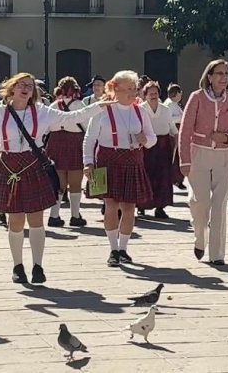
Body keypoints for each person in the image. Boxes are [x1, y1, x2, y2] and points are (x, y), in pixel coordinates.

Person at [0, 72, 108, 283]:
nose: (26, 89)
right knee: (15, 221)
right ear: (12, 88)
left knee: (36, 220)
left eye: (30, 86)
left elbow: (72, 118)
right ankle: (17, 266)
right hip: (10, 166)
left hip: (33, 165)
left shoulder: (42, 111)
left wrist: (100, 105)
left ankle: (38, 266)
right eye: (22, 85)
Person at [84, 71, 156, 267]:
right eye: (128, 89)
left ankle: (123, 249)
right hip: (107, 159)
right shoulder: (101, 110)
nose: (133, 92)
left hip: (132, 160)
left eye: (134, 88)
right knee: (110, 205)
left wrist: (145, 140)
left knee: (129, 207)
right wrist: (88, 163)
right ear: (115, 89)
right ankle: (113, 249)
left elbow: (152, 138)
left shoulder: (141, 111)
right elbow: (89, 139)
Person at [178, 60, 228, 265]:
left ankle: (217, 254)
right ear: (209, 76)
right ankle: (200, 237)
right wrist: (184, 160)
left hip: (223, 156)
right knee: (200, 202)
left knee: (220, 204)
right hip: (199, 153)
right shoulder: (197, 98)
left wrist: (227, 139)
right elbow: (185, 130)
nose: (224, 77)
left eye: (227, 73)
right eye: (219, 73)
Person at [46, 77, 89, 228]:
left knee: (58, 182)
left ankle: (54, 215)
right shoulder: (79, 105)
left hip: (55, 142)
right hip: (74, 142)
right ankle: (75, 216)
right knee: (75, 182)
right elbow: (86, 126)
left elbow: (46, 128)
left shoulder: (52, 105)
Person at [138, 81, 178, 219]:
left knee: (163, 176)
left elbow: (171, 126)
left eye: (155, 93)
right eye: (150, 93)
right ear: (145, 95)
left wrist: (177, 136)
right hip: (146, 146)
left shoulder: (165, 109)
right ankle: (142, 205)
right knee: (146, 174)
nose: (153, 95)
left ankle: (160, 207)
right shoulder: (140, 109)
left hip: (163, 145)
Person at [163, 84, 186, 190]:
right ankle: (173, 179)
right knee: (173, 158)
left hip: (178, 131)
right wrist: (182, 117)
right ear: (176, 93)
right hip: (172, 133)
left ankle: (177, 179)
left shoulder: (175, 104)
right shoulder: (169, 104)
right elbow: (169, 119)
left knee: (177, 157)